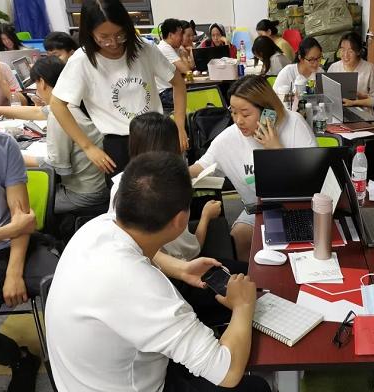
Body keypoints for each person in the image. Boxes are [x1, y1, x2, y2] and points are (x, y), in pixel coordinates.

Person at [46, 150, 271, 392]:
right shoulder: (145, 288)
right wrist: (243, 306)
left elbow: (144, 254)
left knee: (198, 341)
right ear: (180, 221)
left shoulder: (96, 229)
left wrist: (180, 268)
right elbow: (228, 372)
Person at [49, 0, 188, 180]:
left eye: (120, 34)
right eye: (104, 37)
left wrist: (179, 126)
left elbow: (178, 83)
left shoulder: (144, 48)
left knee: (166, 188)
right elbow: (57, 104)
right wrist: (88, 147)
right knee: (124, 193)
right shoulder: (82, 60)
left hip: (155, 135)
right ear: (90, 33)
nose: (114, 43)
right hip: (118, 144)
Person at [188, 75, 317, 261]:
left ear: (267, 111)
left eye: (245, 114)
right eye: (233, 112)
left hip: (299, 206)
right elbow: (200, 167)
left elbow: (312, 179)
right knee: (239, 236)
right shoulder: (228, 139)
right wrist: (172, 173)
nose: (238, 121)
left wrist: (276, 150)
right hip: (261, 209)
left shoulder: (294, 124)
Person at [0, 130, 59, 392]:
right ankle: (19, 358)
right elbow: (16, 225)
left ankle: (69, 363)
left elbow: (23, 221)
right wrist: (8, 230)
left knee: (61, 282)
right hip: (6, 237)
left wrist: (13, 272)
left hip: (11, 249)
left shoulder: (3, 145)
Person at [109, 112, 222, 262]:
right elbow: (191, 252)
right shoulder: (167, 190)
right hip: (170, 270)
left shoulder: (120, 182)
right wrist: (206, 216)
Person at [21, 57, 108, 215]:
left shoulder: (59, 114)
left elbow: (57, 167)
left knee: (25, 204)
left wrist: (15, 157)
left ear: (42, 82)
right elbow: (39, 112)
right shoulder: (73, 101)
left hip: (83, 194)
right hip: (100, 185)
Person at [328, 31, 374, 96]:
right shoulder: (334, 67)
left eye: (350, 51)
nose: (345, 55)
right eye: (342, 50)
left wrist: (363, 96)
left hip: (360, 102)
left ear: (358, 51)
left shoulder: (369, 68)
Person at [156, 18, 191, 111]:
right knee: (199, 96)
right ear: (171, 35)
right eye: (180, 34)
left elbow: (190, 67)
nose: (182, 38)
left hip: (172, 89)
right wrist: (183, 56)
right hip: (165, 93)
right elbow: (187, 70)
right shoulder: (165, 48)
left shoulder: (174, 48)